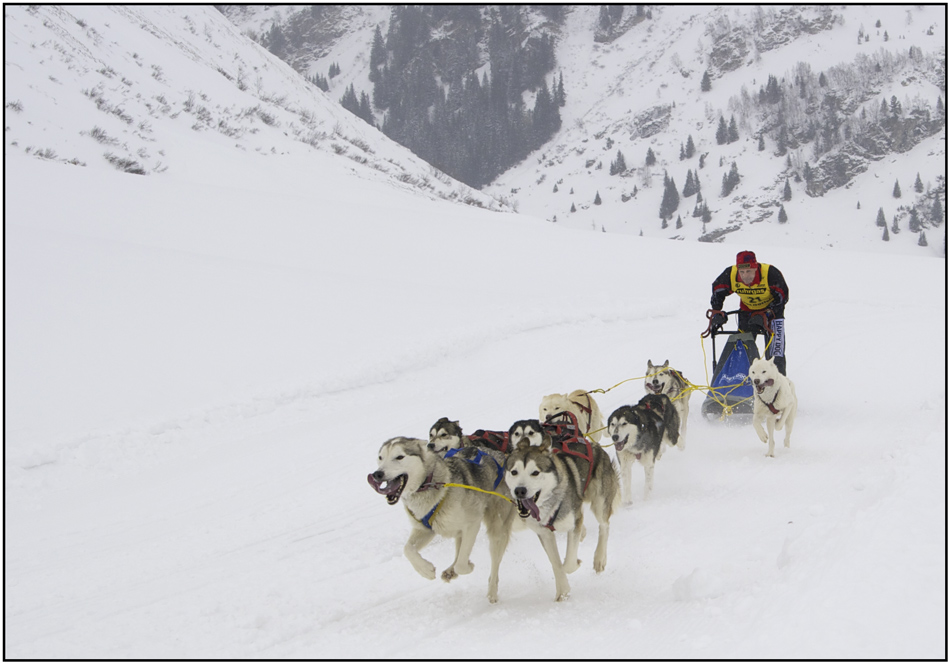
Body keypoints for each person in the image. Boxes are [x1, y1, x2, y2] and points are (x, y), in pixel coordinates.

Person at [709, 250, 789, 375]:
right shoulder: (730, 274)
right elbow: (717, 291)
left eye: (749, 271)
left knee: (775, 354)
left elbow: (782, 298)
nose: (745, 276)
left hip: (773, 313)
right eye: (742, 272)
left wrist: (768, 313)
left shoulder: (770, 274)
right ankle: (744, 382)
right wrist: (717, 312)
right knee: (743, 350)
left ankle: (779, 384)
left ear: (756, 268)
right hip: (748, 311)